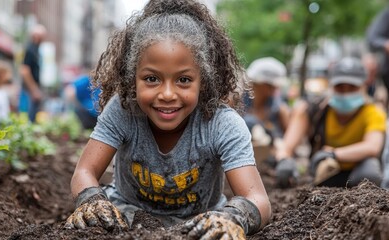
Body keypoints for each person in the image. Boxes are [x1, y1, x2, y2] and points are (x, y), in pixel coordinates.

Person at [64, 0, 271, 238]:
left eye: (183, 80)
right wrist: (91, 201)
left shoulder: (222, 124)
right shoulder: (123, 110)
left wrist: (232, 217)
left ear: (203, 81)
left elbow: (258, 199)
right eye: (152, 79)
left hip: (201, 226)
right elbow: (84, 172)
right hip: (125, 220)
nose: (167, 94)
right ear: (133, 78)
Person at [274, 57, 386, 188]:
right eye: (340, 87)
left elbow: (372, 147)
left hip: (357, 173)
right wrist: (284, 160)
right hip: (325, 173)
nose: (345, 93)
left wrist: (333, 154)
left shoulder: (374, 112)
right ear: (331, 86)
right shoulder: (314, 110)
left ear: (364, 86)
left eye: (352, 87)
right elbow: (287, 146)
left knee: (370, 172)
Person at [243, 57, 290, 146]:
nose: (274, 89)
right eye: (271, 86)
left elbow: (289, 139)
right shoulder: (237, 104)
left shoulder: (279, 109)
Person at [19, 24, 46, 122]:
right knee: (27, 119)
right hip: (29, 91)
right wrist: (34, 90)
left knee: (32, 118)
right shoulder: (30, 49)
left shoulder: (36, 50)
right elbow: (24, 70)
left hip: (32, 90)